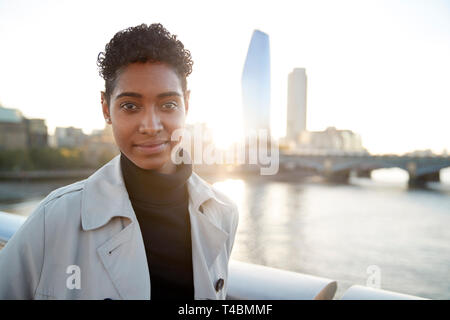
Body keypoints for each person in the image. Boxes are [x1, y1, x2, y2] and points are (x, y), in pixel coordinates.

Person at [0, 23, 239, 300]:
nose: (150, 126)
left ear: (187, 103)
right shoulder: (52, 219)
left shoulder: (223, 213)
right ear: (106, 109)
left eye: (168, 105)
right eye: (130, 106)